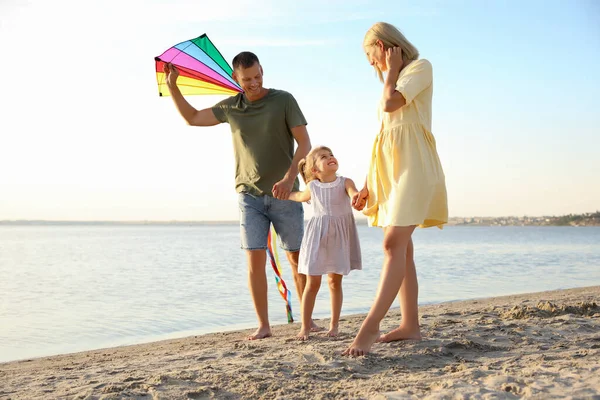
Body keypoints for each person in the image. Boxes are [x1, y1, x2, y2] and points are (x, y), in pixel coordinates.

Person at [163, 51, 312, 340]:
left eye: (257, 76)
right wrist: (173, 87)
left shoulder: (283, 100)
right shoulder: (231, 106)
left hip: (286, 195)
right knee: (254, 260)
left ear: (262, 71)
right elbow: (193, 118)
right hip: (249, 196)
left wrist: (290, 176)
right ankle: (264, 326)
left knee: (296, 259)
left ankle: (307, 322)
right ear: (236, 78)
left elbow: (304, 143)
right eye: (247, 79)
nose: (254, 83)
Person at [343, 22, 448, 356]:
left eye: (372, 57)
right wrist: (369, 185)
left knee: (392, 244)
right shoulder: (393, 82)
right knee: (403, 249)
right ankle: (410, 325)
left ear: (385, 46)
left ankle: (370, 326)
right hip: (392, 171)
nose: (373, 65)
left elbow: (392, 106)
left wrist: (389, 73)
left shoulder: (419, 68)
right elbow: (384, 142)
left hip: (415, 168)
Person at [286, 146, 363, 340]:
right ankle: (305, 327)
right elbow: (298, 196)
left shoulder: (345, 182)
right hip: (318, 238)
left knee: (334, 282)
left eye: (332, 155)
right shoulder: (313, 187)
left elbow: (353, 192)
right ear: (314, 170)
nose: (331, 158)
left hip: (339, 238)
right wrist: (284, 193)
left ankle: (334, 326)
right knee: (312, 283)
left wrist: (356, 197)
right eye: (324, 157)